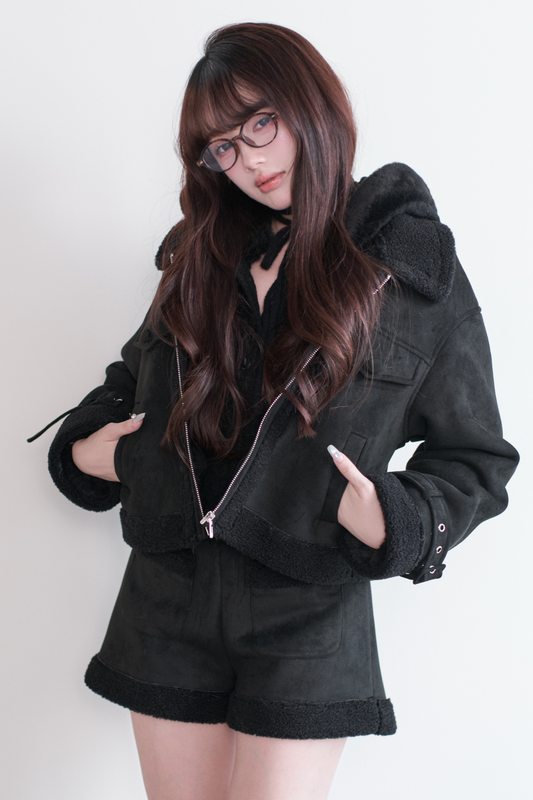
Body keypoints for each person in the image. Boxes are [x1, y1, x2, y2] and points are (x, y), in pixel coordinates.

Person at [37, 21, 518, 800]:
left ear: (310, 103)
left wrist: (394, 517)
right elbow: (132, 381)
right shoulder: (197, 255)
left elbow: (476, 458)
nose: (250, 160)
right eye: (222, 147)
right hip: (167, 594)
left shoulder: (406, 269)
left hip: (307, 609)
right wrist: (96, 450)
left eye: (260, 123)